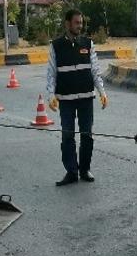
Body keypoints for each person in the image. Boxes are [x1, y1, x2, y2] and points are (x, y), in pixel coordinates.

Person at [46, 9, 108, 186]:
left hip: (86, 98)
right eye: (76, 23)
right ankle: (71, 171)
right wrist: (51, 95)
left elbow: (95, 70)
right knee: (67, 136)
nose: (79, 26)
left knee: (87, 135)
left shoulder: (87, 43)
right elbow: (51, 72)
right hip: (65, 99)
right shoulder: (56, 45)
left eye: (81, 23)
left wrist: (102, 92)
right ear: (67, 23)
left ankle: (84, 169)